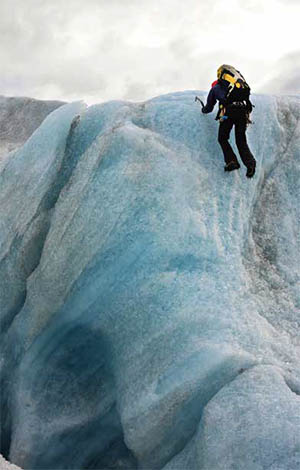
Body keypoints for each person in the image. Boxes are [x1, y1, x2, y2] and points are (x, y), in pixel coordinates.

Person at [201, 65, 256, 178]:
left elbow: (209, 108)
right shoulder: (236, 86)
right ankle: (250, 164)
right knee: (241, 140)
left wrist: (203, 110)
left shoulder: (215, 88)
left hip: (228, 113)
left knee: (222, 138)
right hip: (242, 111)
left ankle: (232, 162)